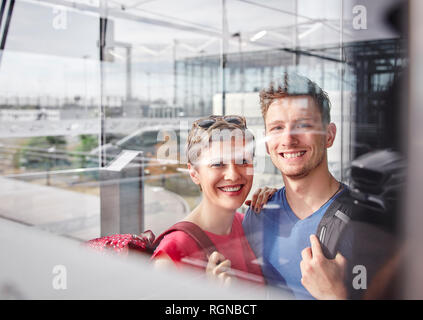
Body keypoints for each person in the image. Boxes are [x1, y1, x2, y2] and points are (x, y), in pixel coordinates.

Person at [243, 73, 352, 299]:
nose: (289, 139)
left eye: (303, 125)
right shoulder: (257, 215)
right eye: (277, 128)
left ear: (329, 135)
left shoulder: (365, 222)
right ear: (267, 141)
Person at [152, 115, 265, 286]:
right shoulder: (173, 250)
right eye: (218, 164)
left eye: (243, 161)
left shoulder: (247, 224)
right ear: (194, 173)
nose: (233, 175)